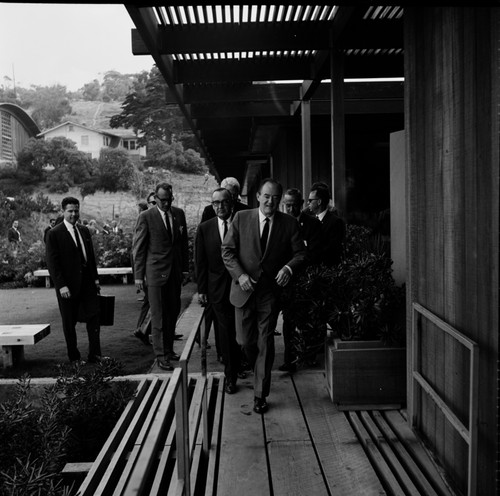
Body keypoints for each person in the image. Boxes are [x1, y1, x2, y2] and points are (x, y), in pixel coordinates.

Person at [222, 178, 306, 414]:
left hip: (269, 294)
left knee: (265, 343)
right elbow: (227, 251)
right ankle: (257, 369)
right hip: (243, 292)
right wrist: (239, 276)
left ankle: (260, 394)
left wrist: (288, 268)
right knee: (244, 341)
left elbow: (300, 253)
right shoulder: (241, 218)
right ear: (258, 196)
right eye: (267, 196)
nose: (271, 201)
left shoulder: (288, 224)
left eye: (276, 198)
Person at [132, 182, 189, 370]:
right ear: (155, 198)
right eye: (162, 200)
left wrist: (185, 269)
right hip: (155, 273)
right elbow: (138, 248)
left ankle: (169, 349)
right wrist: (139, 276)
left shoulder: (179, 214)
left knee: (173, 312)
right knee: (158, 316)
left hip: (174, 273)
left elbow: (182, 245)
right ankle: (160, 356)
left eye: (169, 200)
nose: (166, 203)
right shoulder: (146, 217)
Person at [196, 187, 243, 394]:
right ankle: (231, 377)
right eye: (215, 203)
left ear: (231, 203)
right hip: (217, 290)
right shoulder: (205, 228)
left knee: (242, 333)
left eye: (223, 202)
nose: (219, 207)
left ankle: (240, 364)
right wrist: (202, 289)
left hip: (242, 287)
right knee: (225, 334)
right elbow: (200, 262)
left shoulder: (242, 223)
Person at [45, 196, 103, 363]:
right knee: (69, 322)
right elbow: (52, 262)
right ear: (63, 211)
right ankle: (74, 357)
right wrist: (61, 285)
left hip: (88, 283)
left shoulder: (84, 230)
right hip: (67, 286)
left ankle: (95, 354)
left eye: (76, 210)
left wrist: (96, 280)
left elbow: (90, 257)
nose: (74, 214)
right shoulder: (54, 234)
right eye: (70, 211)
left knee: (94, 316)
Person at [278, 188, 323, 372]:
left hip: (306, 281)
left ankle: (308, 357)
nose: (290, 209)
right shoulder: (280, 223)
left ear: (302, 203)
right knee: (288, 323)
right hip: (287, 282)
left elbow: (314, 253)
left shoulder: (312, 224)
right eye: (287, 205)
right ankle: (289, 360)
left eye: (293, 205)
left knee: (306, 321)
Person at [307, 182, 346, 267]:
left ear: (319, 201)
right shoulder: (309, 221)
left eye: (310, 200)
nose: (307, 203)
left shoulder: (336, 222)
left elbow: (332, 250)